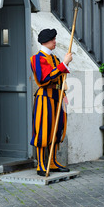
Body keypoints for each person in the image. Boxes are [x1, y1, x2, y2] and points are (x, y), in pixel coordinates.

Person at [30, 29, 73, 176]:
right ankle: (42, 164)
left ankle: (53, 162)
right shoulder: (36, 59)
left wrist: (64, 95)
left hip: (58, 96)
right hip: (45, 98)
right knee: (43, 130)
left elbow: (60, 77)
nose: (55, 41)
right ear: (45, 41)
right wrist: (64, 64)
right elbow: (45, 78)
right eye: (52, 39)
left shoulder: (54, 59)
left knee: (57, 129)